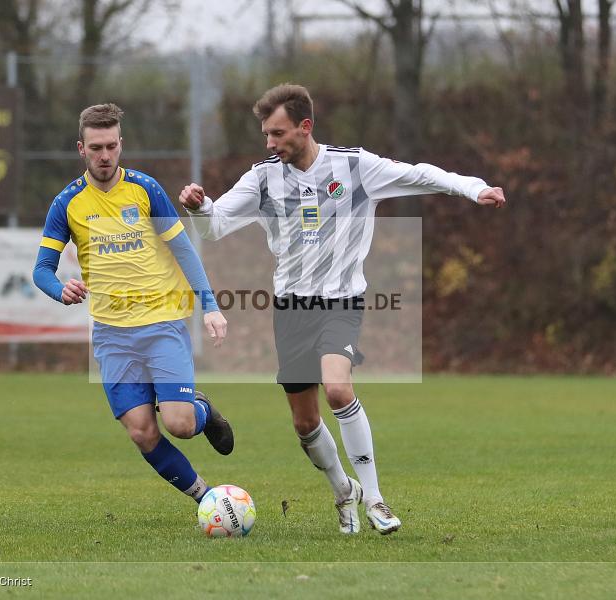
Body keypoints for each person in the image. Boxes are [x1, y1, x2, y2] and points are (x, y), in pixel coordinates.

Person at [179, 84, 506, 535]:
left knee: (337, 389)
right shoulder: (261, 178)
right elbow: (215, 228)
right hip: (291, 307)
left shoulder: (354, 166)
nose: (270, 143)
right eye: (265, 135)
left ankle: (375, 499)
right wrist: (200, 207)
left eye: (277, 133)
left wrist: (474, 189)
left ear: (305, 126)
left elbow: (420, 174)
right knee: (305, 422)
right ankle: (343, 491)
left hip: (342, 301)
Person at [33, 103, 233, 507]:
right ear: (81, 148)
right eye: (95, 148)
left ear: (121, 144)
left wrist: (209, 304)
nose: (104, 156)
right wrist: (60, 289)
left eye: (111, 146)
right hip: (111, 335)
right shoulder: (66, 203)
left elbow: (184, 250)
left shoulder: (145, 189)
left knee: (178, 423)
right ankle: (207, 499)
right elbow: (41, 270)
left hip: (162, 324)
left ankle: (203, 412)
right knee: (142, 431)